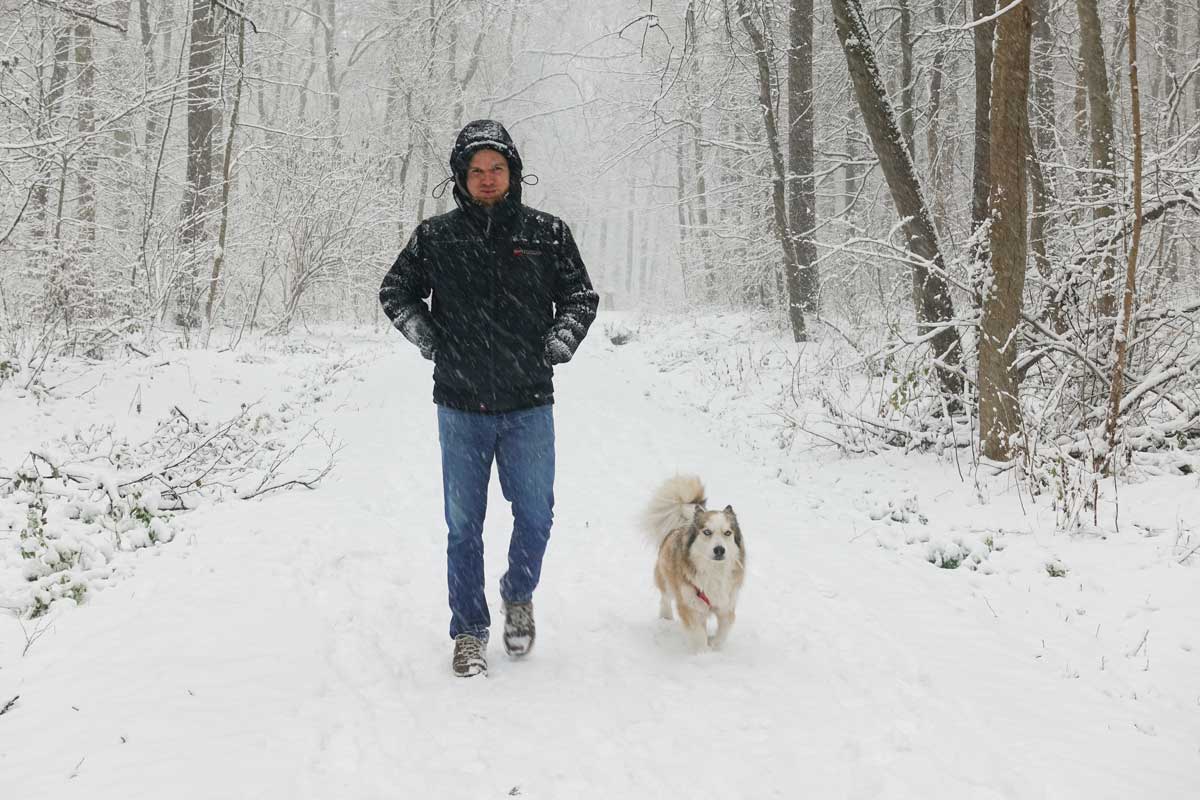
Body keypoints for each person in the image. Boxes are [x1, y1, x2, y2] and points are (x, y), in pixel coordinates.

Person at [379, 120, 599, 678]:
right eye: (476, 170)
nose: (486, 178)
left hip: (528, 404)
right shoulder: (437, 236)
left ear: (513, 173)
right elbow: (395, 292)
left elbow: (580, 295)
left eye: (496, 168)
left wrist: (559, 341)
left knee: (535, 515)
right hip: (460, 406)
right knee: (463, 526)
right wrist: (432, 340)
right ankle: (469, 631)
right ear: (461, 176)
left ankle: (518, 595)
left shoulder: (547, 233)